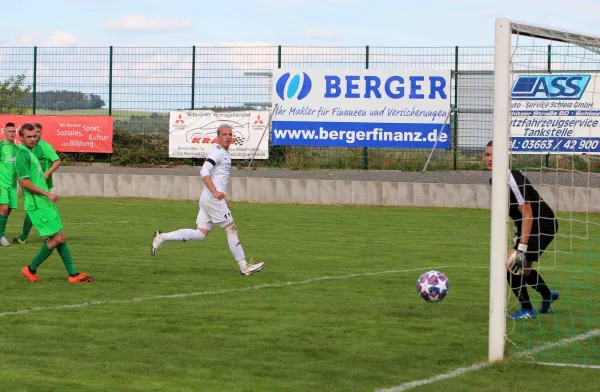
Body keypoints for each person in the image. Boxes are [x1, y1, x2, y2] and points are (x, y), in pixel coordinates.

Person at [151, 123, 265, 277]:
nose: (228, 137)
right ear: (218, 137)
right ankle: (244, 267)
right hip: (212, 198)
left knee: (200, 234)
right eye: (224, 134)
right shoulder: (217, 152)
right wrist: (215, 192)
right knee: (231, 229)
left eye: (230, 134)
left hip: (210, 198)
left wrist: (222, 197)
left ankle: (163, 237)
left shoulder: (224, 153)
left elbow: (219, 179)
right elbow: (204, 171)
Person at [484, 140, 559, 319]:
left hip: (542, 224)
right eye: (487, 155)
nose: (489, 159)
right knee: (523, 271)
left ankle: (527, 309)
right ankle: (548, 295)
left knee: (512, 265)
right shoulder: (495, 179)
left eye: (494, 155)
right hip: (528, 225)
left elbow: (528, 213)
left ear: (505, 158)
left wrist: (521, 247)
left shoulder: (513, 177)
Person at [16, 123, 94, 283]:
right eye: (29, 137)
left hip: (44, 201)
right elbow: (25, 183)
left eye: (34, 136)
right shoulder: (22, 155)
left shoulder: (30, 153)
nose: (33, 139)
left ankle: (73, 274)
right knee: (57, 238)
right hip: (38, 204)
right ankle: (31, 268)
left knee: (61, 236)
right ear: (21, 138)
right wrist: (47, 194)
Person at [14, 122, 61, 245]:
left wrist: (46, 174)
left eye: (37, 134)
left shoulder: (44, 146)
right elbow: (24, 173)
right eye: (31, 135)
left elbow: (57, 161)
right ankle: (32, 237)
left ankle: (45, 235)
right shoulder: (26, 151)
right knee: (33, 209)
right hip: (32, 185)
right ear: (23, 137)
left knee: (35, 208)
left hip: (42, 185)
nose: (34, 137)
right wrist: (21, 185)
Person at [0, 122, 19, 247]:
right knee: (4, 208)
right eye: (9, 131)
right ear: (5, 132)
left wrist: (20, 185)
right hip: (2, 184)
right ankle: (1, 236)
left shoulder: (18, 149)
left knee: (8, 211)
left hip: (13, 185)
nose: (11, 133)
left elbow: (19, 169)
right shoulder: (1, 146)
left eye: (13, 131)